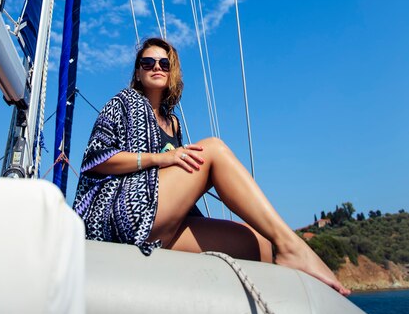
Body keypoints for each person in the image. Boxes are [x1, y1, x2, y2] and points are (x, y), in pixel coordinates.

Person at [73, 37, 349, 295]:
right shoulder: (122, 103)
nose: (156, 67)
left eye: (163, 63)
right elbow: (97, 160)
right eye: (147, 62)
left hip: (165, 222)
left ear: (172, 72)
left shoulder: (173, 123)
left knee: (258, 243)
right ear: (137, 72)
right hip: (123, 216)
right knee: (213, 149)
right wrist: (160, 158)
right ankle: (293, 245)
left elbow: (178, 177)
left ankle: (281, 267)